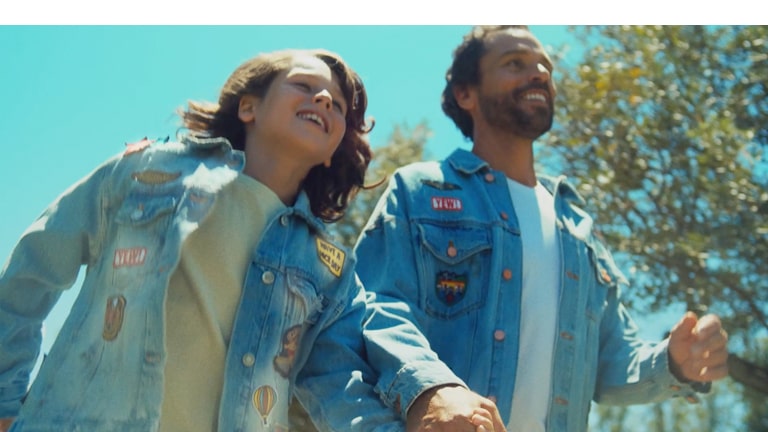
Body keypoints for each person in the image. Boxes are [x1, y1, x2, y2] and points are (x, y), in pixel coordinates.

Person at [0, 47, 494, 432]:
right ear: (249, 106)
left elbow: (339, 384)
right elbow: (30, 271)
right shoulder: (147, 172)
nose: (323, 100)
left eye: (337, 105)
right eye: (303, 85)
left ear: (331, 150)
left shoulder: (328, 270)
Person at [355, 26, 730, 432]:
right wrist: (432, 390)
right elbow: (372, 310)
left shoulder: (577, 223)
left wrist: (673, 362)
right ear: (466, 94)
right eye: (515, 64)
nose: (539, 74)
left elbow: (610, 363)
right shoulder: (420, 190)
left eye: (544, 67)